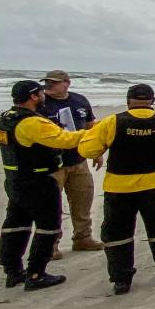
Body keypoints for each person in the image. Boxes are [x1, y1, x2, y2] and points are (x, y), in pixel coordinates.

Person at [78, 83, 155, 295]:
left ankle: (121, 279)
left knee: (118, 234)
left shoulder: (113, 122)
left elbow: (87, 148)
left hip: (119, 187)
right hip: (154, 186)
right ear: (153, 101)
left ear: (128, 100)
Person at [0, 80, 85, 290]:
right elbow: (65, 140)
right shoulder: (32, 122)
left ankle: (13, 270)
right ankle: (36, 273)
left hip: (15, 180)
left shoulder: (6, 118)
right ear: (33, 96)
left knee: (16, 224)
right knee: (48, 227)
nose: (44, 96)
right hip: (37, 180)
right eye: (41, 93)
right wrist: (95, 132)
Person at [39, 69, 104, 257]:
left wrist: (96, 152)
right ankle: (51, 244)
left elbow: (91, 126)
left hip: (79, 159)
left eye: (53, 82)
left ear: (67, 83)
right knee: (51, 206)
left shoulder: (79, 100)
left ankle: (83, 238)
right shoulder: (41, 103)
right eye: (46, 83)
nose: (48, 86)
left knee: (83, 201)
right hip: (52, 163)